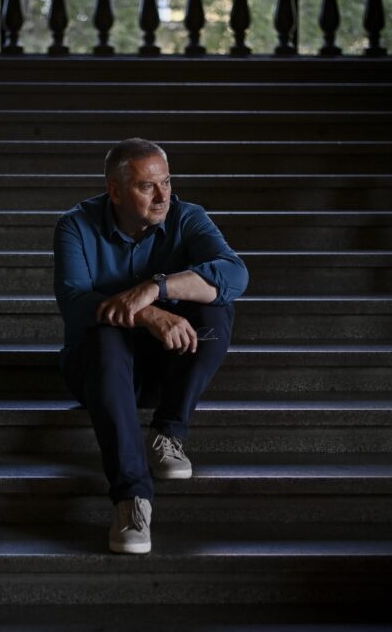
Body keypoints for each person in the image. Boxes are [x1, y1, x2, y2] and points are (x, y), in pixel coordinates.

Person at [53, 138, 249, 554]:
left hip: (164, 371)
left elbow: (235, 273)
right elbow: (74, 303)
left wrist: (156, 288)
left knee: (216, 314)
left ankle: (168, 432)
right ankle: (131, 498)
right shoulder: (75, 225)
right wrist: (148, 314)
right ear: (115, 190)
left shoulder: (188, 217)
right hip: (96, 373)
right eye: (147, 186)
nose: (163, 196)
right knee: (104, 334)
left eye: (167, 182)